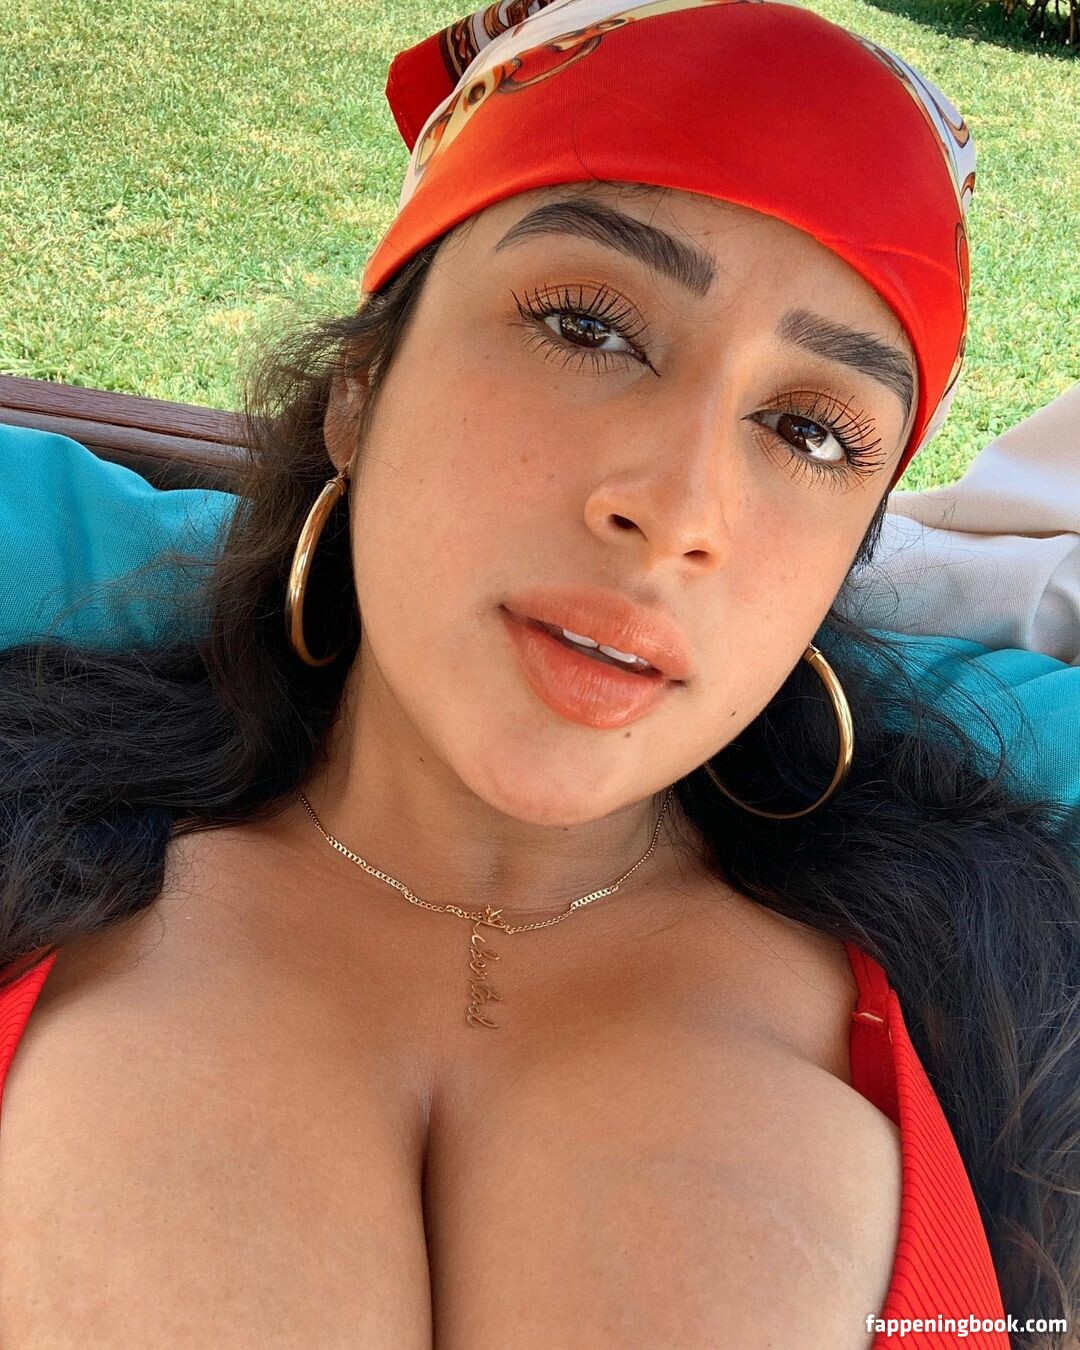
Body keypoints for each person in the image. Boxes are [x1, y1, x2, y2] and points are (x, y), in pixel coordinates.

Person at [0, 1, 1076, 1346]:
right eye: (586, 327)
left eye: (809, 430)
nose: (677, 510)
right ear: (360, 392)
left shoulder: (1019, 1024)